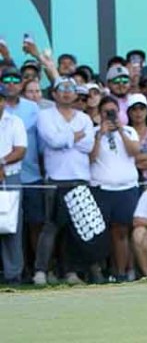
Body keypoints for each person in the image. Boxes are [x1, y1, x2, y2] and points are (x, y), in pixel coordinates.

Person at [33, 78, 96, 286]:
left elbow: (88, 145)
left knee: (75, 228)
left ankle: (71, 271)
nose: (67, 93)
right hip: (56, 180)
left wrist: (67, 138)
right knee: (50, 227)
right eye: (63, 90)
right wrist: (74, 136)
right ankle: (41, 270)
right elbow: (52, 141)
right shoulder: (45, 115)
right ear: (54, 94)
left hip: (79, 178)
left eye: (71, 90)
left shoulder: (85, 118)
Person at [88, 96, 140, 282]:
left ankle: (121, 272)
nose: (110, 115)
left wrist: (120, 132)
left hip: (126, 188)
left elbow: (134, 151)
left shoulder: (129, 130)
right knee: (99, 233)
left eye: (113, 111)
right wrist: (100, 135)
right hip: (101, 188)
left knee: (121, 231)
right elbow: (90, 158)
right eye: (106, 112)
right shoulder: (93, 132)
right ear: (99, 114)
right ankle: (99, 271)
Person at [0, 92, 28, 284]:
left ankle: (13, 273)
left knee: (11, 226)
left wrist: (0, 162)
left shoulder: (15, 121)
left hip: (10, 177)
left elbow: (20, 150)